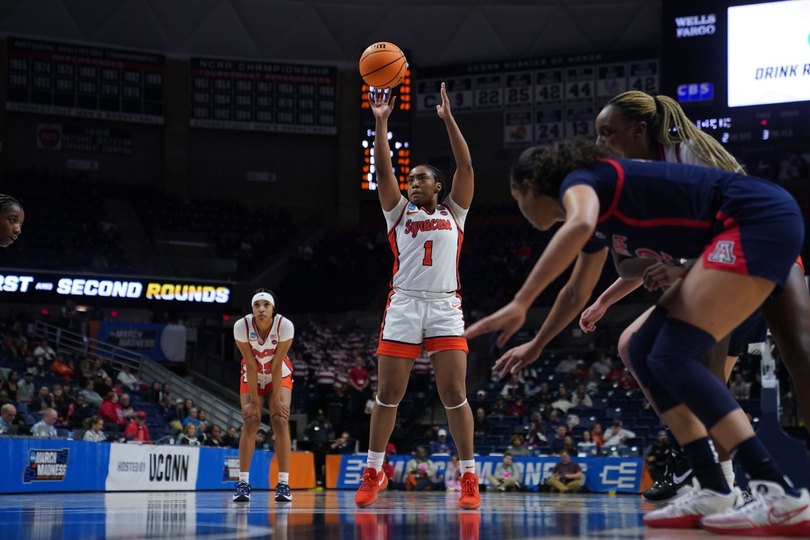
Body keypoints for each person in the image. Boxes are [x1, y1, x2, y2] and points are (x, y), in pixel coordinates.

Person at [463, 138, 810, 533]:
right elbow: (576, 292)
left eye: (517, 199)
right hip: (737, 227)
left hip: (755, 218)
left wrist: (521, 301)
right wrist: (537, 343)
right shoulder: (596, 216)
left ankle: (776, 490)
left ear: (531, 187)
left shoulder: (581, 182)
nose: (523, 213)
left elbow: (576, 222)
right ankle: (713, 485)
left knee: (672, 354)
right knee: (643, 346)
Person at [580, 90, 810, 505]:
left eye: (607, 133)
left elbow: (741, 219)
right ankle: (713, 475)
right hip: (717, 263)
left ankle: (717, 478)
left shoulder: (685, 156)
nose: (601, 145)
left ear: (637, 130)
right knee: (639, 346)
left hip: (754, 251)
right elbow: (641, 264)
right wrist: (604, 302)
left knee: (728, 368)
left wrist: (685, 267)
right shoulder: (635, 182)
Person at [355, 82, 479, 511]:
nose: (412, 183)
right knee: (388, 392)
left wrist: (448, 121)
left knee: (453, 393)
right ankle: (373, 470)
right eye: (410, 179)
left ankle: (468, 477)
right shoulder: (398, 213)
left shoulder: (454, 212)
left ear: (439, 186)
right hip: (404, 304)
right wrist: (381, 122)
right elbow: (384, 172)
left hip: (445, 304)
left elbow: (465, 165)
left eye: (421, 178)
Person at [233, 289, 295, 503]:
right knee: (251, 420)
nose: (261, 308)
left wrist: (276, 399)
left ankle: (284, 483)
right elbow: (250, 363)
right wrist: (253, 401)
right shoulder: (241, 326)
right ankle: (243, 483)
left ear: (273, 309)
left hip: (279, 372)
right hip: (252, 373)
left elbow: (277, 364)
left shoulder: (284, 326)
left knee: (279, 419)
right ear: (252, 309)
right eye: (257, 305)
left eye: (265, 305)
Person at [305, 409, 334, 488]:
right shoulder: (313, 424)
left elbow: (331, 433)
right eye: (319, 416)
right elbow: (306, 432)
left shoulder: (327, 424)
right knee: (316, 464)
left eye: (322, 416)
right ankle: (316, 481)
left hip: (325, 448)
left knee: (325, 465)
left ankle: (325, 482)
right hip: (315, 448)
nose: (321, 417)